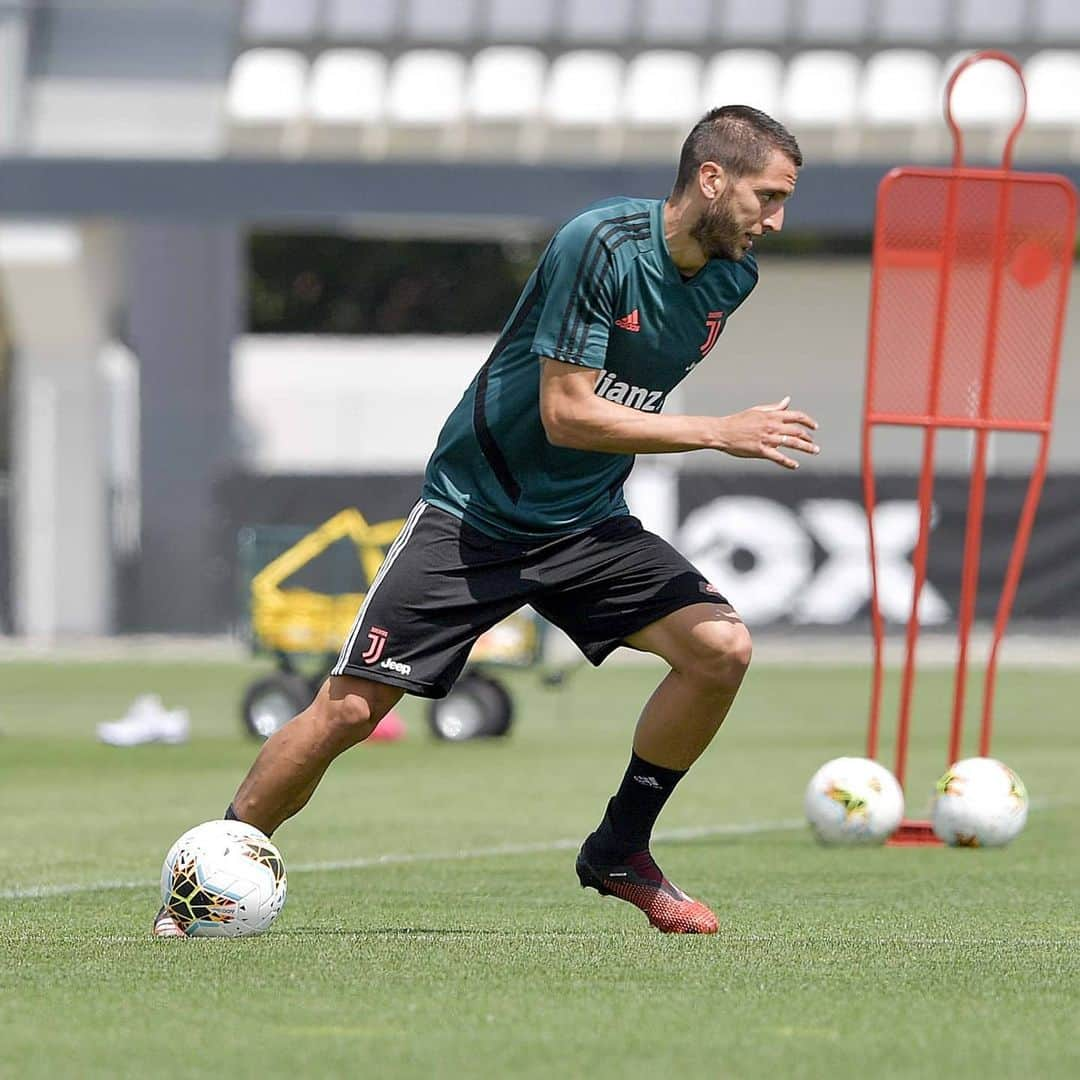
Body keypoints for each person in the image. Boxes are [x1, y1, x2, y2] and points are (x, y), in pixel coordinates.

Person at [153, 104, 817, 939]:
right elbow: (568, 414)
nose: (777, 219)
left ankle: (620, 850)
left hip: (585, 523)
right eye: (768, 195)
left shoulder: (730, 281)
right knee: (349, 712)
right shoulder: (599, 243)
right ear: (712, 179)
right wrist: (717, 431)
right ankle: (206, 879)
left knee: (720, 650)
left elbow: (619, 410)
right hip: (475, 517)